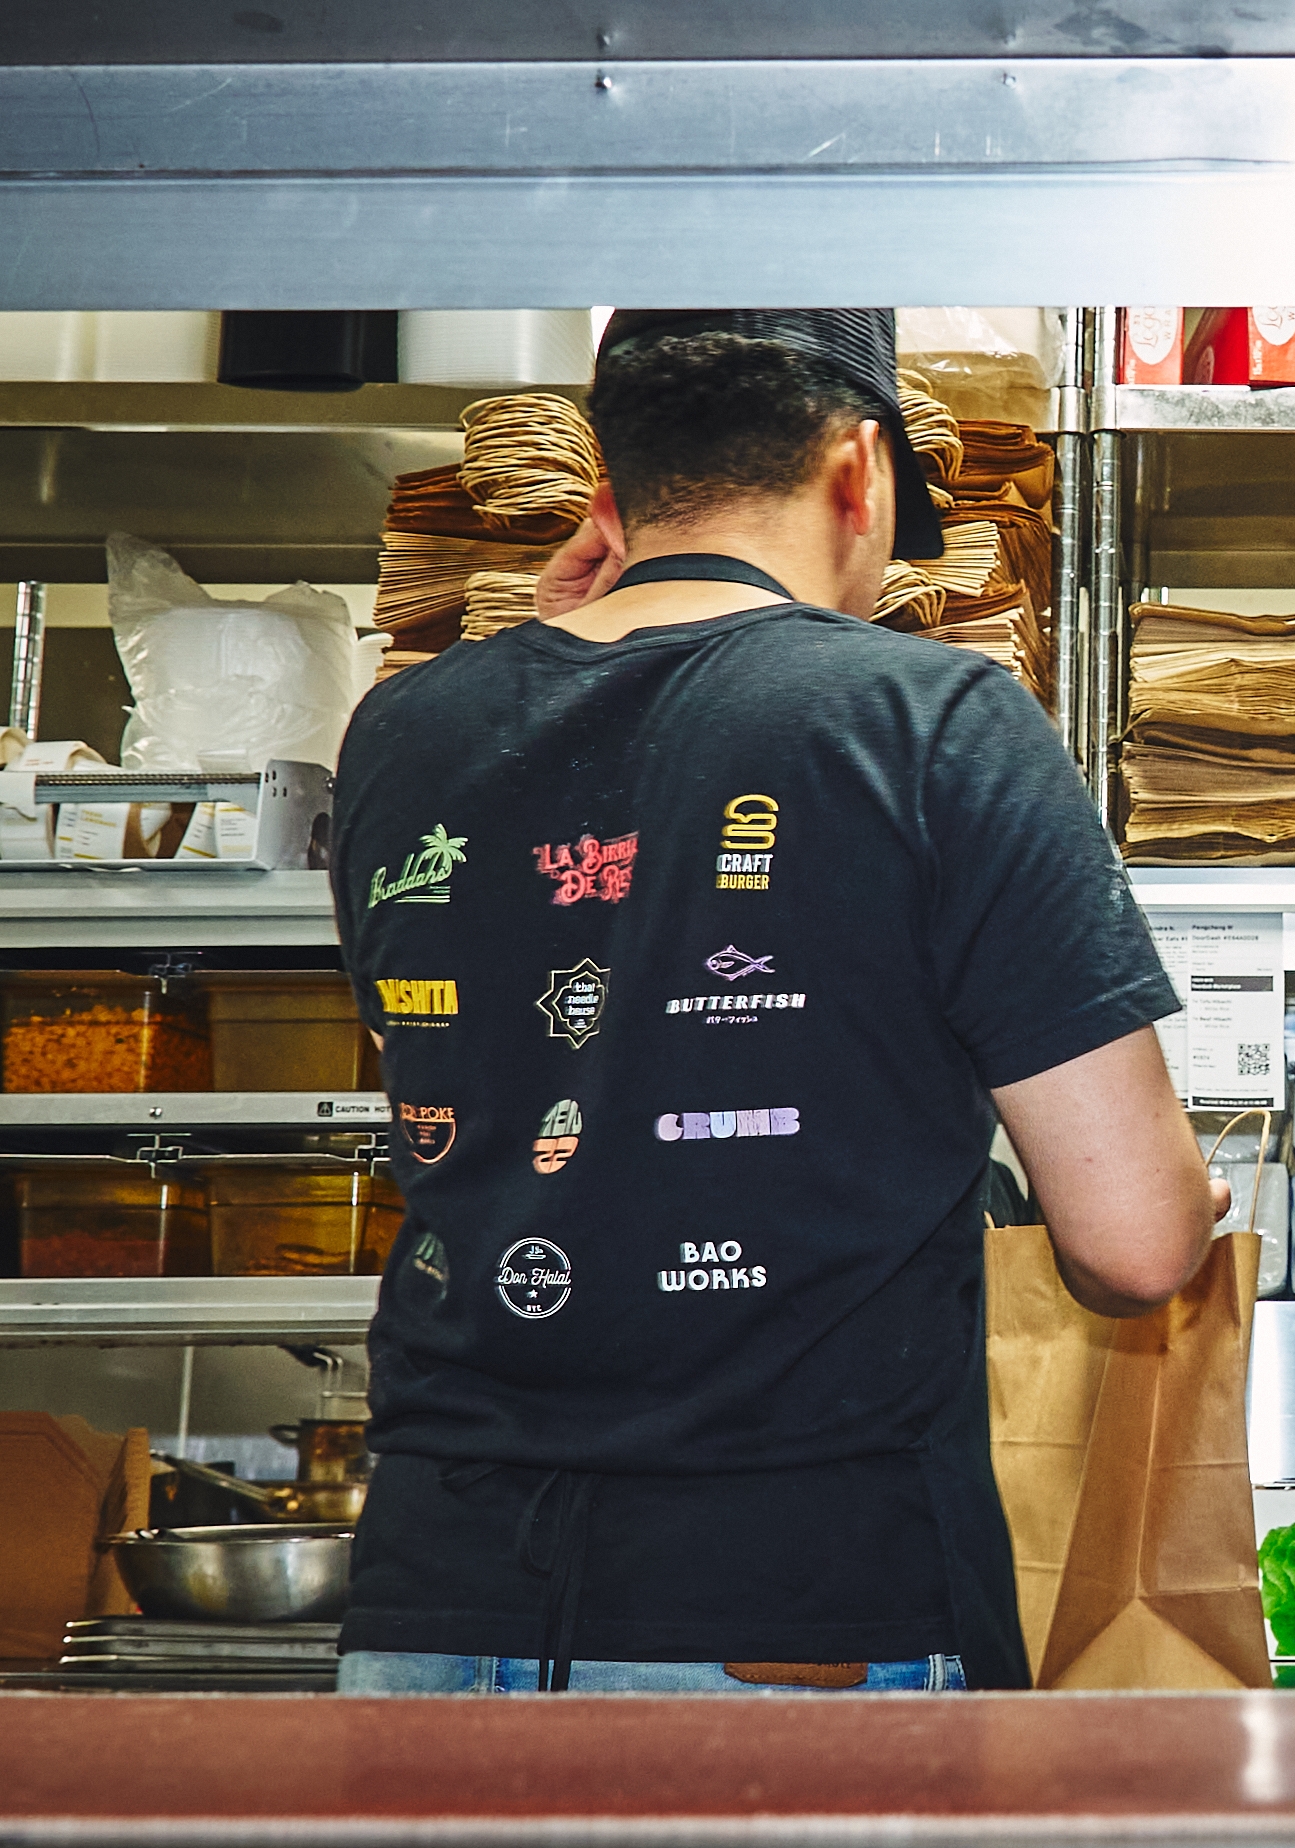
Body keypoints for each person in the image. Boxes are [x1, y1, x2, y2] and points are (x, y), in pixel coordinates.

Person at [329, 308, 1225, 1694]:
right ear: (860, 469)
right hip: (799, 1622)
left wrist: (556, 664)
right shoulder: (935, 721)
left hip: (432, 1610)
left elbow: (500, 1057)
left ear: (609, 490)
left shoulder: (403, 732)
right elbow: (1136, 1244)